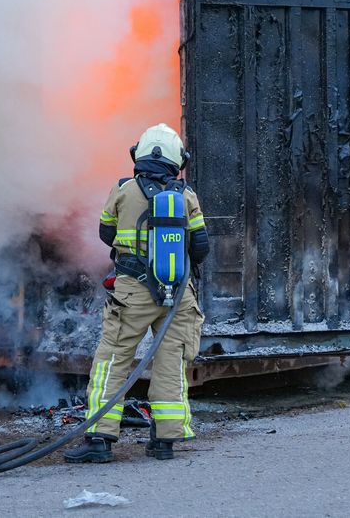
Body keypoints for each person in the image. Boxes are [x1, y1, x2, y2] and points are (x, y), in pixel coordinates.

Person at [64, 123, 210, 463]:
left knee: (113, 360)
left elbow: (105, 232)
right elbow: (201, 247)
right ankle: (164, 441)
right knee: (171, 363)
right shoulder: (186, 196)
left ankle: (99, 440)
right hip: (178, 295)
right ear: (178, 161)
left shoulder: (123, 190)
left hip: (132, 292)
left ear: (138, 155)